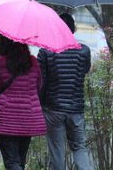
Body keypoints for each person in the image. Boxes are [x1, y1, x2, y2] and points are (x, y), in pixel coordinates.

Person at [37, 13, 92, 170]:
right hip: (76, 109)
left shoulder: (46, 51)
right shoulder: (84, 51)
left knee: (57, 151)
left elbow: (41, 82)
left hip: (53, 109)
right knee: (80, 148)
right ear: (73, 29)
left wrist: (39, 105)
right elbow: (85, 70)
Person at [0, 35, 46, 170]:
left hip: (6, 118)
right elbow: (38, 86)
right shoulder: (33, 62)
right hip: (28, 118)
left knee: (11, 162)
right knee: (19, 160)